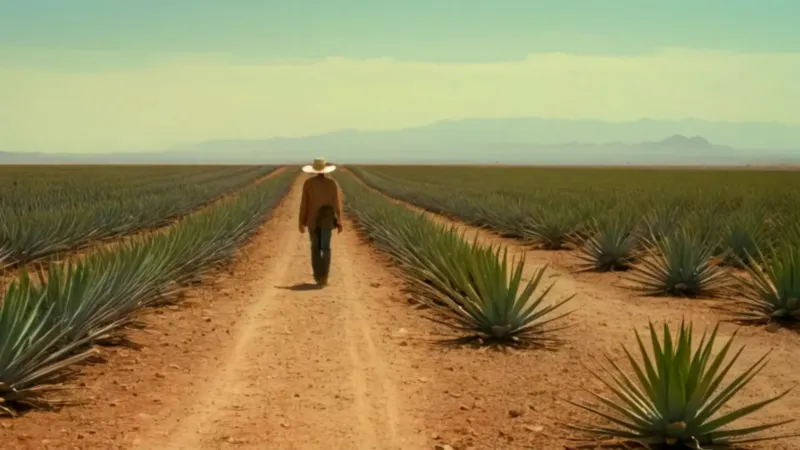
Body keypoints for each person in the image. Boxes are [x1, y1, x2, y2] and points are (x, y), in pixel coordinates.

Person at [298, 157, 344, 286]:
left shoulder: (308, 184)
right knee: (326, 248)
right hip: (327, 221)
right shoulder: (332, 184)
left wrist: (301, 222)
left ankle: (318, 276)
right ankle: (325, 276)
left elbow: (304, 204)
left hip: (312, 221)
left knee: (315, 248)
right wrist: (339, 221)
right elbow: (336, 204)